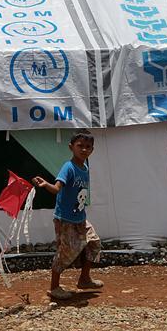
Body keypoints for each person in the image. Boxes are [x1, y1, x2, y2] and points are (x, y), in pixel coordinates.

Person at [32, 129, 103, 301]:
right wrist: (45, 184)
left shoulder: (84, 167)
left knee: (94, 243)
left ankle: (84, 279)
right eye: (80, 146)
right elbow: (57, 189)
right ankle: (54, 287)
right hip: (66, 219)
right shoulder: (68, 167)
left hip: (80, 217)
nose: (84, 150)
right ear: (71, 147)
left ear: (92, 149)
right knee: (66, 252)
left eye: (88, 147)